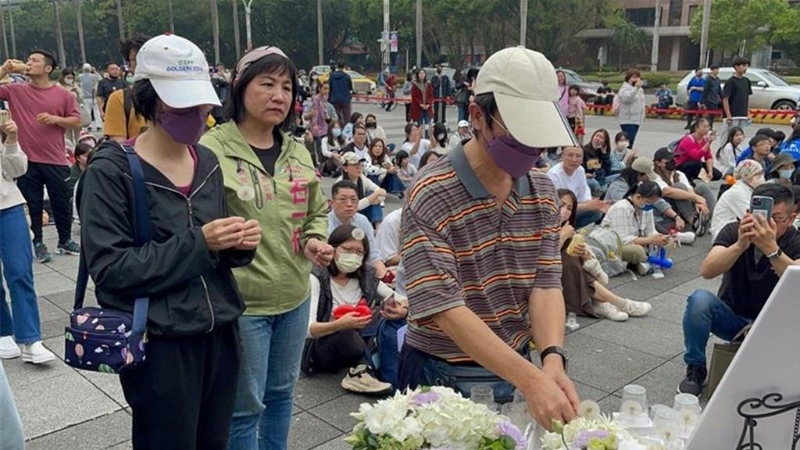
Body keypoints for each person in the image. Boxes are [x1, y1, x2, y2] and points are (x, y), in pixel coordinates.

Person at [80, 33, 260, 449]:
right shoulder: (111, 171)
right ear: (149, 100)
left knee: (215, 440)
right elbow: (110, 269)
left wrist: (237, 243)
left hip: (220, 332)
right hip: (159, 344)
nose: (198, 114)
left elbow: (213, 251)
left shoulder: (207, 160)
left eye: (202, 104)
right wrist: (202, 242)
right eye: (183, 105)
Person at [398, 46, 580, 430]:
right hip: (440, 369)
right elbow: (445, 309)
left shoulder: (542, 192)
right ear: (478, 116)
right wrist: (532, 380)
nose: (532, 149)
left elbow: (546, 284)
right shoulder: (432, 192)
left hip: (513, 364)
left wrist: (551, 359)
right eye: (518, 133)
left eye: (538, 135)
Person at [198, 45, 332, 450]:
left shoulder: (297, 149)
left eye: (287, 87)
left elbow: (316, 210)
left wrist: (315, 239)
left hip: (294, 296)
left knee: (281, 396)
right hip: (243, 303)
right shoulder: (212, 148)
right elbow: (195, 220)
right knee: (244, 407)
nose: (280, 96)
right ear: (240, 88)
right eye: (268, 84)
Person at [678, 183, 800, 397]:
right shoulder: (734, 231)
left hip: (774, 326)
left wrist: (771, 249)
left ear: (791, 219)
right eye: (761, 215)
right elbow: (707, 270)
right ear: (748, 213)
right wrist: (739, 246)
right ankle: (695, 368)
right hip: (733, 317)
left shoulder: (795, 240)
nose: (766, 224)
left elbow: (796, 281)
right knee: (699, 300)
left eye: (777, 218)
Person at [0, 51, 81, 264]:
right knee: (33, 204)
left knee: (61, 202)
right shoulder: (15, 90)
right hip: (26, 160)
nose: (28, 63)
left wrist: (55, 119)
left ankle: (65, 241)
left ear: (48, 68)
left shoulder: (62, 94)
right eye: (28, 60)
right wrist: (4, 70)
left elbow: (76, 120)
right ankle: (38, 243)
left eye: (34, 60)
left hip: (55, 158)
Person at [306, 224, 403, 393]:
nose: (353, 255)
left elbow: (398, 298)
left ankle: (365, 370)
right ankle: (365, 369)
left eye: (359, 252)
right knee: (347, 334)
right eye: (348, 249)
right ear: (333, 249)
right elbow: (308, 330)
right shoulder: (317, 278)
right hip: (325, 347)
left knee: (388, 313)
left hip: (359, 340)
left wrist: (402, 310)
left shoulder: (365, 277)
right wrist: (339, 324)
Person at [0, 116, 56, 364]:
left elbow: (16, 170)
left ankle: (31, 339)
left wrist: (12, 139)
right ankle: (3, 331)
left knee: (20, 271)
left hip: (8, 205)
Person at [557, 189, 652, 322]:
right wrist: (562, 237)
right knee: (569, 261)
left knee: (574, 257)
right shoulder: (622, 207)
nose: (564, 211)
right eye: (560, 205)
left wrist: (586, 256)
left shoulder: (647, 212)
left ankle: (600, 303)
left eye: (569, 208)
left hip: (570, 274)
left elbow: (601, 278)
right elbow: (542, 258)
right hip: (541, 276)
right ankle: (619, 303)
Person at [606, 158, 692, 239]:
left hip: (642, 216)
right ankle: (670, 235)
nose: (647, 180)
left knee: (654, 213)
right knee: (647, 213)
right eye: (646, 177)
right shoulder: (619, 186)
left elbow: (657, 201)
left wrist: (676, 217)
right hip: (623, 221)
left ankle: (678, 227)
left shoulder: (640, 184)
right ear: (639, 174)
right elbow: (629, 208)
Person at [602, 181, 672, 274]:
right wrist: (650, 240)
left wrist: (659, 237)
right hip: (617, 246)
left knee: (669, 242)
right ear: (638, 197)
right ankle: (643, 262)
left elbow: (650, 230)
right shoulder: (621, 208)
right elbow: (621, 240)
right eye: (648, 202)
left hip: (641, 242)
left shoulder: (646, 208)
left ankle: (643, 262)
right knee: (637, 251)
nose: (650, 205)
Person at [328, 180, 389, 279]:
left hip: (359, 271)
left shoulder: (362, 221)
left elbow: (373, 253)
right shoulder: (324, 224)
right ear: (332, 203)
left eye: (353, 200)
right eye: (343, 200)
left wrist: (384, 276)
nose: (349, 204)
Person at [652, 147, 713, 236]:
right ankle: (694, 221)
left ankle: (714, 221)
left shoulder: (679, 174)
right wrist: (696, 197)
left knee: (702, 188)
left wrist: (699, 202)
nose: (673, 161)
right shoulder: (654, 176)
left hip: (684, 205)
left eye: (674, 158)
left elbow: (690, 190)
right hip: (667, 208)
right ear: (658, 163)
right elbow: (667, 191)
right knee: (678, 187)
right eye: (669, 159)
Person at [547, 146, 609, 229]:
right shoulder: (554, 175)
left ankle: (571, 230)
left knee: (596, 212)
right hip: (556, 213)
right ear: (562, 157)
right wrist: (586, 206)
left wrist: (596, 205)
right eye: (570, 155)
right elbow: (557, 207)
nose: (574, 160)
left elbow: (584, 196)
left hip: (572, 209)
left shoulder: (580, 170)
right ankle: (561, 231)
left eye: (578, 156)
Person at [103, 35, 150, 142]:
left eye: (148, 57)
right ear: (129, 64)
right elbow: (119, 144)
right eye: (138, 59)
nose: (144, 63)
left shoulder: (172, 95)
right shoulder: (120, 98)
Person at [710, 160, 765, 240]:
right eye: (759, 174)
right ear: (749, 176)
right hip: (723, 233)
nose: (762, 177)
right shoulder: (737, 192)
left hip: (731, 227)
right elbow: (750, 217)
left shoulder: (747, 189)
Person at [337, 152, 386, 227]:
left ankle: (378, 227)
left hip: (360, 212)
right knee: (372, 195)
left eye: (360, 164)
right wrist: (373, 197)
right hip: (346, 216)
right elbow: (353, 207)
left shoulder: (361, 178)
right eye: (354, 165)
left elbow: (382, 192)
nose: (358, 167)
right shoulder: (340, 184)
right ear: (345, 168)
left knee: (371, 193)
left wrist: (375, 198)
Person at [675, 117, 723, 183]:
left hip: (695, 164)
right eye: (705, 127)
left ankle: (695, 175)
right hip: (682, 165)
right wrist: (709, 143)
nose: (707, 129)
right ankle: (687, 180)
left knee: (717, 175)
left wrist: (710, 171)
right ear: (697, 128)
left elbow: (708, 157)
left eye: (708, 127)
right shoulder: (688, 139)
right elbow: (696, 156)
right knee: (697, 164)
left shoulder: (705, 139)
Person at [721, 56, 753, 142]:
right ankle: (722, 153)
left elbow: (746, 98)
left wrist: (747, 112)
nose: (745, 68)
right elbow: (725, 99)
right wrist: (728, 115)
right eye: (743, 66)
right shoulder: (731, 82)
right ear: (736, 67)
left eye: (746, 66)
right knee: (727, 136)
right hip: (732, 115)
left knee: (738, 138)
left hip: (742, 114)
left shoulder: (746, 81)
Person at [617, 68, 646, 147]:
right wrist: (635, 88)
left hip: (637, 119)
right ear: (628, 78)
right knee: (628, 141)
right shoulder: (624, 88)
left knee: (631, 142)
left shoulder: (640, 90)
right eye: (634, 77)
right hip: (628, 119)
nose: (636, 79)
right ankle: (624, 156)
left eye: (638, 77)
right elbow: (627, 99)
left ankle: (627, 156)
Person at [582, 129, 611, 195]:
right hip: (589, 178)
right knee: (593, 183)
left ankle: (604, 189)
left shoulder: (603, 153)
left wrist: (604, 154)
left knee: (618, 176)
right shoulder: (584, 150)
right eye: (596, 136)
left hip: (601, 178)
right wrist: (586, 175)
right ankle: (602, 190)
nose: (597, 139)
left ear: (605, 142)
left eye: (601, 138)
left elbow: (607, 170)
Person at [308, 82, 329, 166]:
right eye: (325, 89)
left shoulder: (325, 98)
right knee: (318, 144)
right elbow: (315, 112)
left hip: (324, 123)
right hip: (317, 124)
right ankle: (318, 162)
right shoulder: (316, 99)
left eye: (328, 89)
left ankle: (324, 162)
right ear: (320, 89)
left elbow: (325, 109)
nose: (327, 91)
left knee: (324, 143)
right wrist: (314, 124)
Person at [329, 60, 353, 126]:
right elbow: (350, 89)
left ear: (337, 66)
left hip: (334, 99)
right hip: (345, 100)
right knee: (346, 118)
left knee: (335, 117)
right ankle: (346, 130)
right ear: (344, 66)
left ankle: (336, 128)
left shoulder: (332, 76)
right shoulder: (347, 77)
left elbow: (330, 88)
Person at [410, 69, 434, 135]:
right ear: (418, 75)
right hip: (418, 108)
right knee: (419, 124)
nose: (422, 75)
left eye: (423, 73)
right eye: (420, 73)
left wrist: (428, 104)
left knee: (427, 123)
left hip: (427, 107)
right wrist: (420, 104)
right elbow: (414, 96)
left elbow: (431, 95)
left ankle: (427, 137)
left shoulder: (428, 84)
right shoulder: (415, 85)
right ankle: (419, 137)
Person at [78, 63, 101, 130]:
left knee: (88, 112)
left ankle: (89, 125)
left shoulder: (80, 76)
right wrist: (95, 71)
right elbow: (100, 79)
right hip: (94, 96)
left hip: (85, 97)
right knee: (96, 111)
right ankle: (98, 125)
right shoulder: (94, 76)